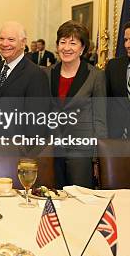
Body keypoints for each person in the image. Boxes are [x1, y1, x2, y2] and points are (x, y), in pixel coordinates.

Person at [44, 21, 106, 188]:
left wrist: (97, 158)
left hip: (82, 151)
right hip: (52, 149)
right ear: (57, 46)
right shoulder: (47, 73)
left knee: (80, 199)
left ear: (82, 48)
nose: (66, 47)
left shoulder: (95, 76)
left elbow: (100, 119)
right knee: (53, 198)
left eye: (73, 43)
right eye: (62, 42)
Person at [0, 22, 50, 148]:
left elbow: (37, 123)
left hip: (17, 151)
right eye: (1, 39)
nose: (4, 43)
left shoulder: (36, 75)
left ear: (23, 43)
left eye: (11, 39)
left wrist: (23, 155)